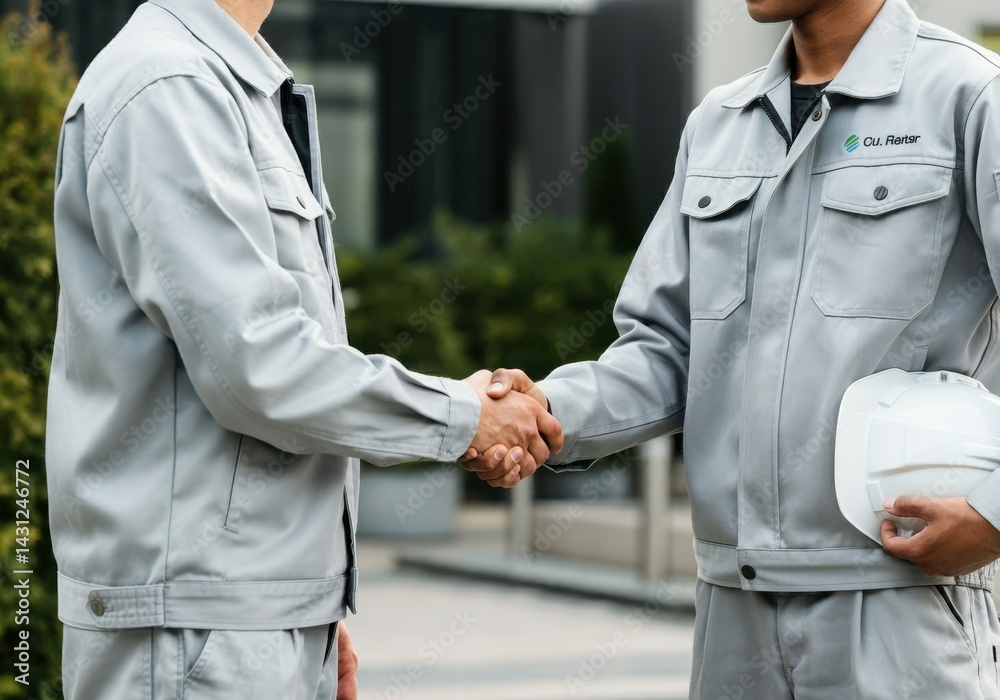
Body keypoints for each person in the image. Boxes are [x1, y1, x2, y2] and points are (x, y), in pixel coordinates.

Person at [470, 0, 1000, 695]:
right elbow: (666, 351)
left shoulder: (971, 98)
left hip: (903, 599)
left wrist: (993, 515)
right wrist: (544, 408)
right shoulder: (719, 126)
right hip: (732, 610)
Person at [45, 0, 562, 697]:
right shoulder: (167, 85)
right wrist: (464, 415)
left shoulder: (233, 82)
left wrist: (300, 610)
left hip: (241, 625)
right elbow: (257, 366)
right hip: (196, 634)